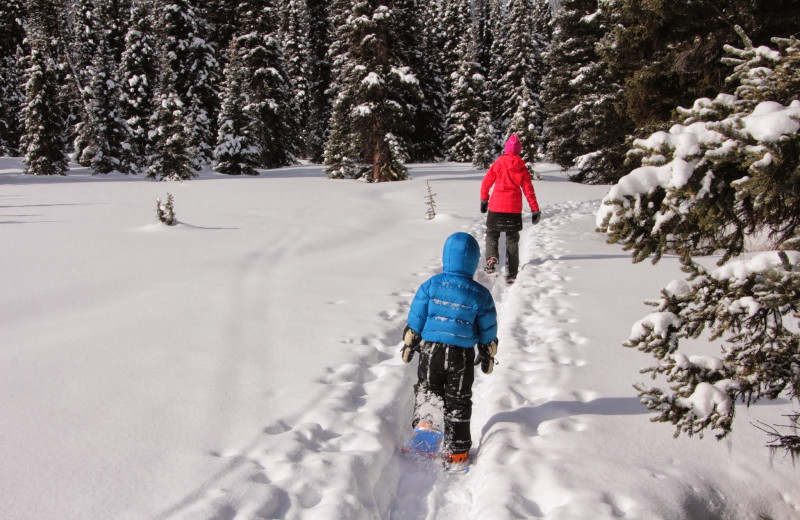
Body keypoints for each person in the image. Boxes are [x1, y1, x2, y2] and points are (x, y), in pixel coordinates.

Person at [400, 232, 498, 466]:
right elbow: (488, 327)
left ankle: (425, 439)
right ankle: (457, 452)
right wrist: (487, 351)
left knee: (429, 391)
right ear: (474, 261)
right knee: (459, 400)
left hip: (431, 351)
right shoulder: (481, 294)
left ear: (446, 257)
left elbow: (418, 316)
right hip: (461, 357)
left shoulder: (431, 285)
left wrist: (411, 341)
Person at [480, 134, 541, 283]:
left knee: (492, 234)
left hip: (496, 208)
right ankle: (512, 273)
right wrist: (535, 209)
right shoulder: (521, 167)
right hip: (513, 210)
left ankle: (492, 259)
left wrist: (484, 199)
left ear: (506, 149)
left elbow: (486, 182)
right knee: (512, 239)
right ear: (519, 151)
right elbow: (529, 190)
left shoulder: (498, 164)